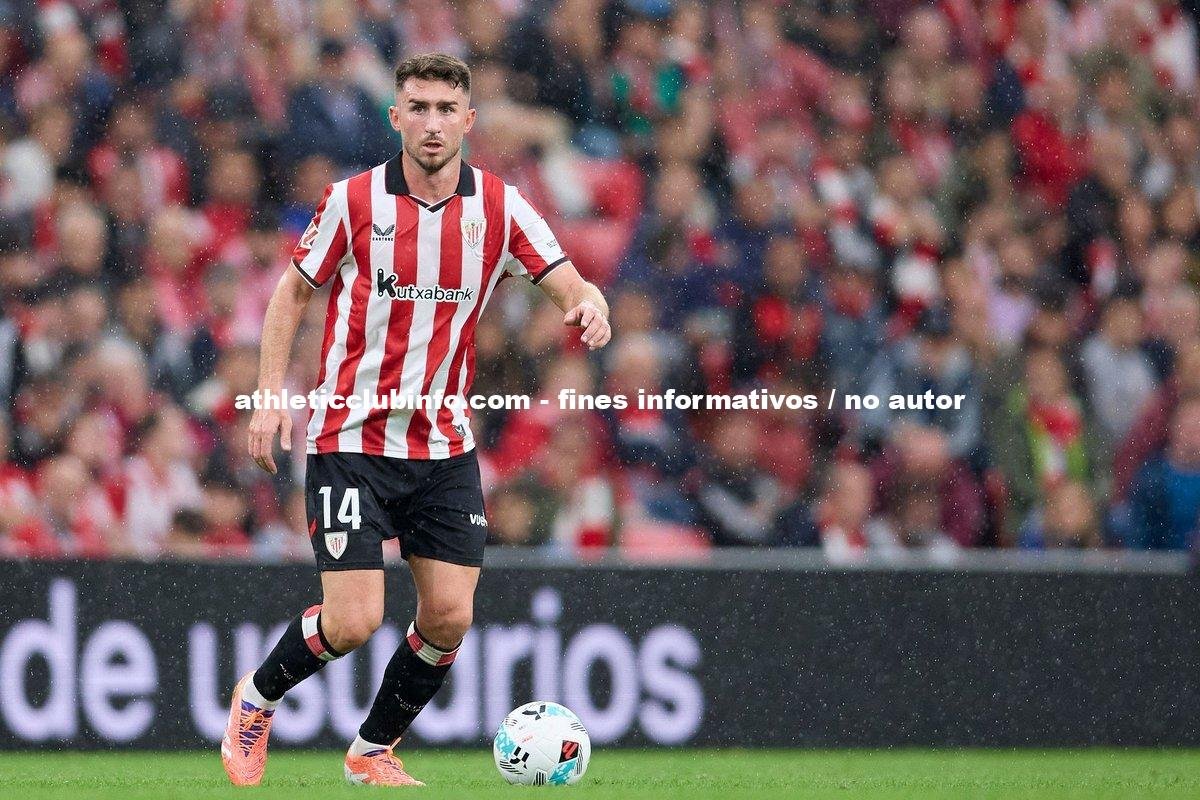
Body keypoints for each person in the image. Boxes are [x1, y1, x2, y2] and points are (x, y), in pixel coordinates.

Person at [220, 54, 611, 788]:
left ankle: (371, 749)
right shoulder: (353, 201)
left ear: (469, 120)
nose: (433, 123)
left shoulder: (501, 208)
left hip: (442, 443)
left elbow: (571, 284)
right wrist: (271, 394)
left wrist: (591, 308)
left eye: (446, 109)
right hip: (349, 438)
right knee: (352, 621)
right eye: (419, 108)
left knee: (450, 615)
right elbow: (290, 294)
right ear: (395, 117)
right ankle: (257, 697)